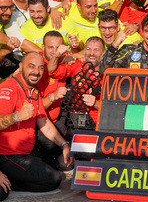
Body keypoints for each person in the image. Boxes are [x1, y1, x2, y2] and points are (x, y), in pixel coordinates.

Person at [0, 52, 74, 192]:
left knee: (63, 165)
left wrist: (64, 144)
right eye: (31, 66)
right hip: (7, 155)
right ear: (21, 67)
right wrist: (16, 117)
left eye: (41, 68)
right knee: (54, 179)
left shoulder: (33, 91)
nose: (36, 72)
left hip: (25, 153)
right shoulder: (9, 88)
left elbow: (43, 122)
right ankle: (12, 183)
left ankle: (14, 179)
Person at [32, 31, 70, 171]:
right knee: (49, 147)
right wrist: (53, 96)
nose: (54, 51)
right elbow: (35, 108)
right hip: (37, 124)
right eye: (50, 47)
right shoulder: (36, 66)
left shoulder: (65, 63)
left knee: (66, 163)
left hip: (57, 120)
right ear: (43, 48)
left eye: (58, 47)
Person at [47, 36, 105, 124]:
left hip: (99, 122)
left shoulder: (109, 72)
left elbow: (115, 108)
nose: (91, 53)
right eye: (88, 49)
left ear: (103, 53)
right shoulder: (77, 65)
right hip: (76, 119)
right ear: (84, 51)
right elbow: (51, 71)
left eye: (96, 50)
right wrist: (56, 55)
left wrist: (95, 103)